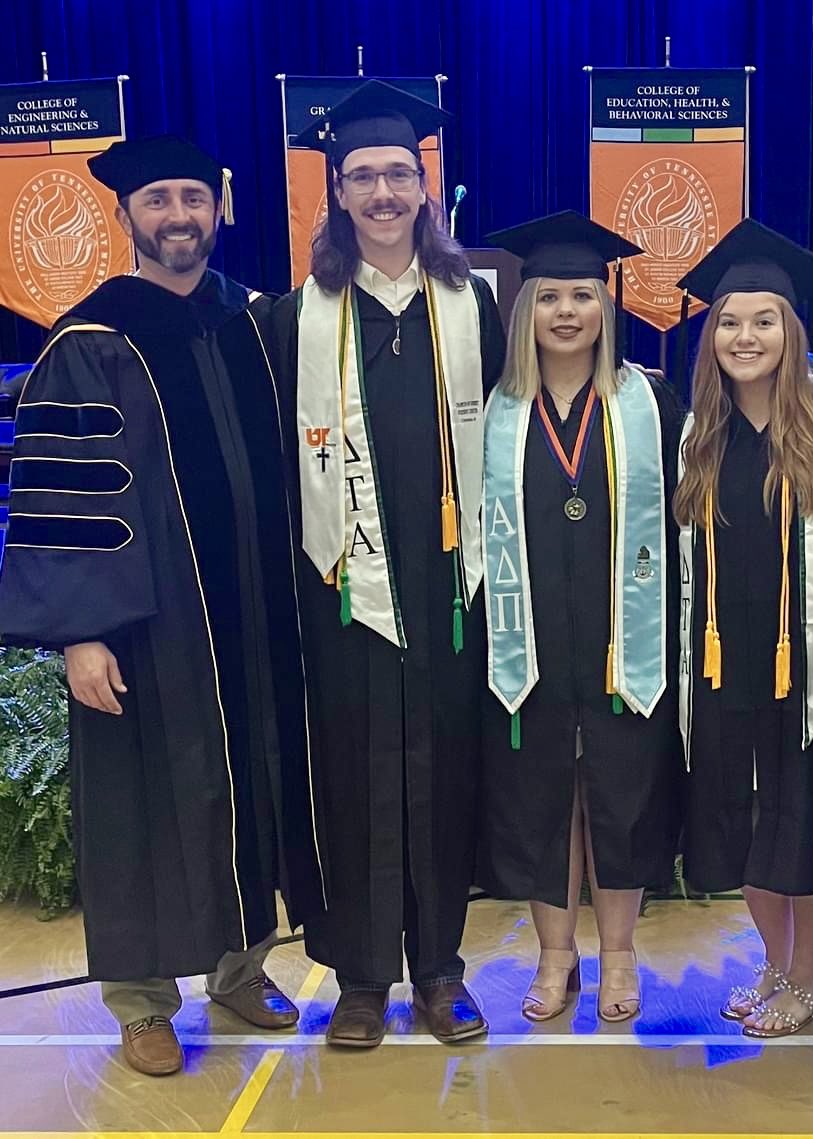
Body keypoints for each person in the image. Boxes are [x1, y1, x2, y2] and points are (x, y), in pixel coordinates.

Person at [0, 136, 325, 1076]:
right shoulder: (88, 341)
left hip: (258, 619)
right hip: (147, 629)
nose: (178, 215)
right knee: (139, 799)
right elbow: (65, 500)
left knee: (253, 786)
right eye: (157, 200)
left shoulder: (256, 320)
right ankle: (141, 1002)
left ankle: (239, 969)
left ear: (220, 205)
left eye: (192, 196)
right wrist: (81, 634)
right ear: (126, 216)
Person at [260, 81, 506, 1048]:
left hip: (452, 586)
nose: (381, 192)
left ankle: (440, 970)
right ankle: (361, 975)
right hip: (341, 590)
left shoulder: (474, 308)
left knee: (444, 772)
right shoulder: (296, 318)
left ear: (423, 184)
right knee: (355, 775)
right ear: (338, 194)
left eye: (398, 173)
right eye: (361, 176)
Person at [478, 212, 682, 1023]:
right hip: (526, 639)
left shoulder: (651, 403)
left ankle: (620, 955)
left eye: (583, 295)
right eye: (550, 296)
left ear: (607, 307)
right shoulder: (492, 412)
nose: (567, 311)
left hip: (621, 642)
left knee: (622, 797)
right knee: (539, 798)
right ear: (524, 309)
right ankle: (555, 955)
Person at [672, 220, 813, 1037]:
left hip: (805, 661)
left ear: (789, 330)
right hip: (720, 660)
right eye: (730, 322)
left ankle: (810, 979)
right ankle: (773, 961)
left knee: (800, 824)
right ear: (712, 336)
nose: (746, 336)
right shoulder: (697, 433)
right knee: (745, 823)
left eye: (763, 320)